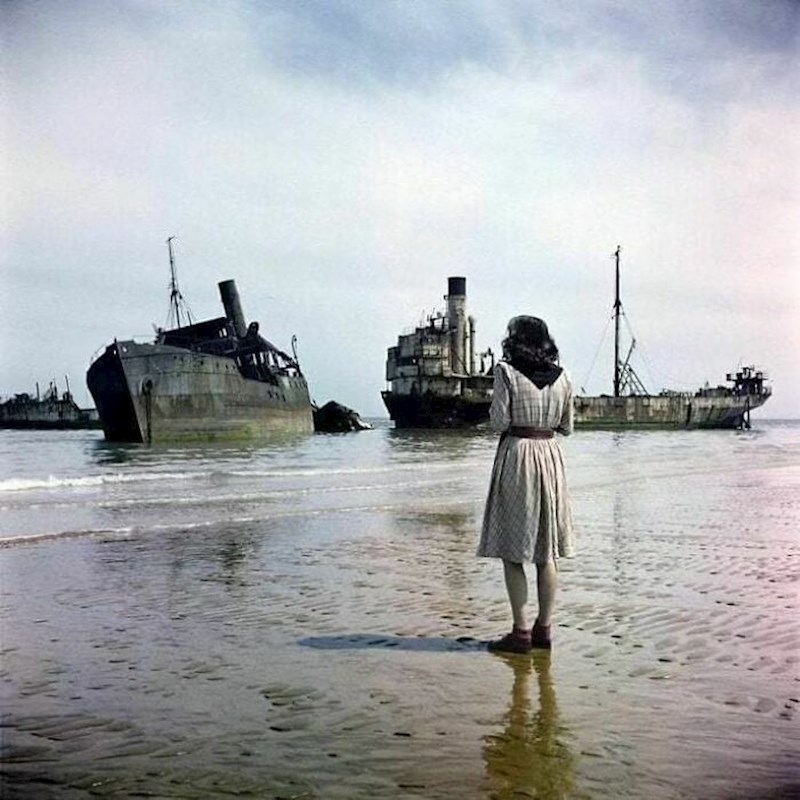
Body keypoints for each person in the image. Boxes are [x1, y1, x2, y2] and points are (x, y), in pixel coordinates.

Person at [477, 315, 575, 653]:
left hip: (518, 455)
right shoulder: (564, 377)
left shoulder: (505, 372)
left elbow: (499, 422)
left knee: (513, 550)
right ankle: (543, 629)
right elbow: (566, 427)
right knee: (546, 552)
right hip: (549, 456)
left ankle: (519, 631)